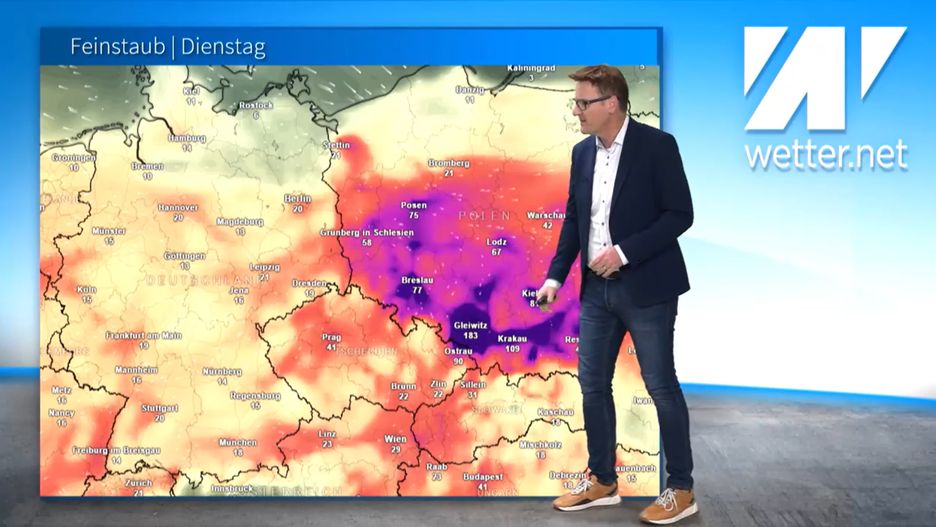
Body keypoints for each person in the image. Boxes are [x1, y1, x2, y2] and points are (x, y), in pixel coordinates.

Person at [537, 65, 697, 525]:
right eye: (576, 102)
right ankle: (603, 481)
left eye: (583, 102)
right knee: (592, 385)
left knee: (660, 386)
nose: (576, 110)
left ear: (611, 103)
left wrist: (624, 253)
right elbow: (575, 219)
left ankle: (681, 489)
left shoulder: (657, 146)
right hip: (596, 293)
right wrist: (555, 277)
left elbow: (680, 214)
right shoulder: (581, 153)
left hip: (648, 289)